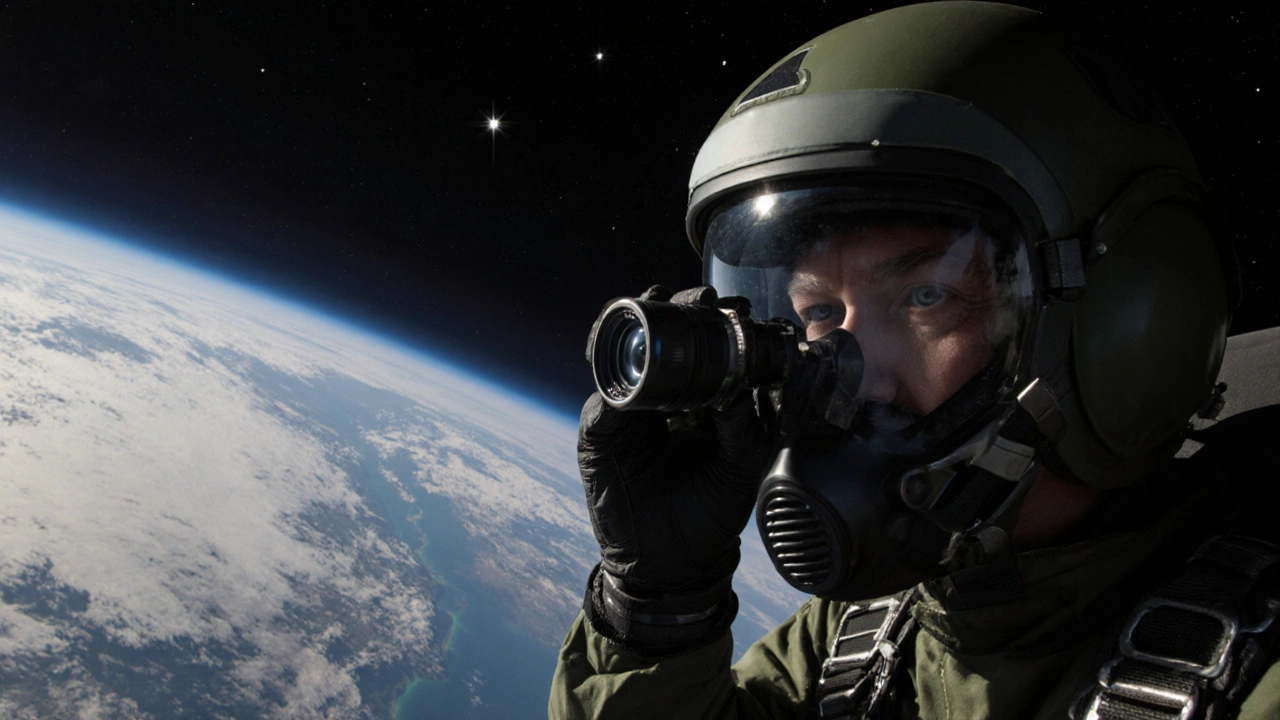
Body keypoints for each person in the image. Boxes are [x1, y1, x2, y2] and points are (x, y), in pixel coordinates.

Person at [549, 2, 1280, 718]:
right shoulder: (869, 633)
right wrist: (656, 609)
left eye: (927, 296)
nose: (853, 374)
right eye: (818, 313)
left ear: (1129, 324)